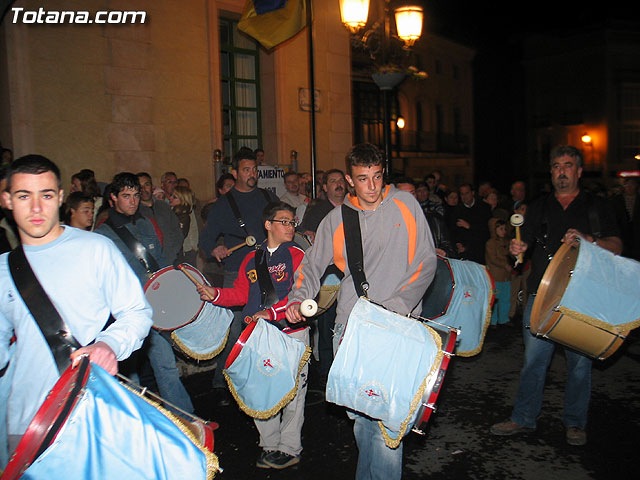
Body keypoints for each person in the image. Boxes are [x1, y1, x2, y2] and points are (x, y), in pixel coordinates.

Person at [285, 143, 436, 480]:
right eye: (363, 179)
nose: (372, 187)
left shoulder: (406, 205)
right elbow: (311, 266)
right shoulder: (338, 220)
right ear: (350, 181)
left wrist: (397, 305)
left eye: (378, 177)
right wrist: (298, 298)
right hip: (351, 330)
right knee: (363, 422)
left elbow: (426, 261)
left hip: (397, 329)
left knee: (387, 424)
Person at [0, 155, 152, 457]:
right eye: (23, 196)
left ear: (59, 198)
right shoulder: (3, 270)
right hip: (28, 422)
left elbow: (137, 311)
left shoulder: (95, 249)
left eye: (45, 195)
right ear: (6, 200)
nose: (35, 208)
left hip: (90, 410)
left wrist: (109, 344)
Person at [490, 145, 622, 446]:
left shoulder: (596, 206)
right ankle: (523, 417)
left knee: (579, 364)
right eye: (556, 166)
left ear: (578, 171)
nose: (561, 171)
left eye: (567, 165)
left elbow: (617, 245)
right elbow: (525, 245)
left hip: (583, 297)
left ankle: (575, 422)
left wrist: (589, 240)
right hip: (542, 294)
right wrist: (518, 249)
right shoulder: (538, 206)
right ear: (551, 172)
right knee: (534, 361)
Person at [197, 202, 307, 469]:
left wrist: (272, 313)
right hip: (257, 334)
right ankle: (269, 443)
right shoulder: (250, 259)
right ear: (268, 225)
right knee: (260, 389)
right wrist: (216, 295)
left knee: (293, 393)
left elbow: (301, 293)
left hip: (291, 332)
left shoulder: (298, 256)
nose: (290, 227)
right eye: (284, 221)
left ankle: (290, 447)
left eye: (292, 222)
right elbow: (241, 294)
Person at [95, 172, 194, 415]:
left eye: (136, 195)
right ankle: (137, 425)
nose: (132, 201)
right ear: (113, 199)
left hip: (154, 309)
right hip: (124, 315)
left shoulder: (146, 224)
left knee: (167, 367)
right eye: (126, 196)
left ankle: (187, 420)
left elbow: (159, 262)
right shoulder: (102, 236)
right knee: (131, 377)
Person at [199, 149, 279, 401]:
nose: (252, 174)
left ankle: (264, 373)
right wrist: (216, 248)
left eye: (254, 169)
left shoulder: (267, 196)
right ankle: (223, 378)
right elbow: (206, 240)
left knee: (271, 321)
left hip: (267, 266)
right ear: (234, 173)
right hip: (238, 270)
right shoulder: (224, 203)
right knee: (237, 328)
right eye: (246, 170)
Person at [136, 172, 184, 265]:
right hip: (149, 263)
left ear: (152, 187)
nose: (143, 189)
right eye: (139, 186)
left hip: (171, 259)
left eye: (146, 184)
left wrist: (172, 252)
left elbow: (177, 231)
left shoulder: (163, 206)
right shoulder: (135, 211)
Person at [453, 183, 491, 263]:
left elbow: (486, 230)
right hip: (464, 253)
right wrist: (457, 243)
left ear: (472, 193)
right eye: (462, 194)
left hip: (480, 251)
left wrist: (469, 226)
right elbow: (453, 230)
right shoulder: (456, 210)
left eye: (467, 193)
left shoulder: (484, 208)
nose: (464, 196)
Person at [485, 218, 512, 327]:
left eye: (504, 229)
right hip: (496, 276)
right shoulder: (491, 243)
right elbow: (493, 258)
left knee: (505, 299)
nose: (503, 231)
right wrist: (505, 264)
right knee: (495, 300)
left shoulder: (507, 242)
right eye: (500, 229)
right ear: (494, 229)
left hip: (506, 276)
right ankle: (493, 321)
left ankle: (504, 319)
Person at [169, 184, 199, 265]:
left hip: (187, 251)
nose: (170, 198)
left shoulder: (184, 214)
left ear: (183, 200)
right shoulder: (173, 212)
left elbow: (180, 235)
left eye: (174, 197)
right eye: (171, 195)